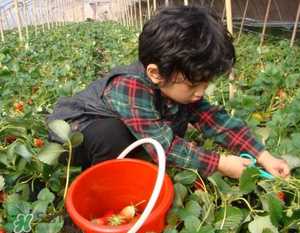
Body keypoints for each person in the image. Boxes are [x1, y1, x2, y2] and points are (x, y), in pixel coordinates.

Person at [47, 5, 290, 179]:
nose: (200, 93)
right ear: (155, 73)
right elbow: (165, 147)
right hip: (74, 135)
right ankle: (104, 181)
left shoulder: (178, 81)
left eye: (205, 84)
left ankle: (130, 157)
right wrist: (221, 163)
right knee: (112, 134)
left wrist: (263, 155)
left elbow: (214, 120)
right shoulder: (130, 86)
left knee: (171, 122)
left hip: (125, 125)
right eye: (194, 86)